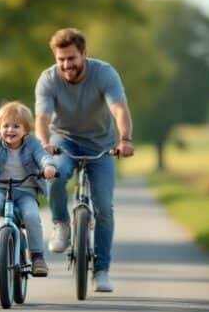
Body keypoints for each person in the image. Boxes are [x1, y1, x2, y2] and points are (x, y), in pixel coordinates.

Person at [34, 27, 135, 292]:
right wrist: (44, 143)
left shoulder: (104, 73)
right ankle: (60, 224)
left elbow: (119, 108)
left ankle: (101, 270)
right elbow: (42, 118)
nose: (66, 65)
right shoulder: (48, 79)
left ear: (84, 55)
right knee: (53, 174)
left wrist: (125, 139)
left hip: (100, 145)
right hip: (62, 141)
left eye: (71, 58)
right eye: (61, 60)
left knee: (103, 206)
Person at [0, 101, 57, 276]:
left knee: (31, 216)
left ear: (26, 130)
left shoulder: (33, 144)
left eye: (16, 126)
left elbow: (43, 157)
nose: (10, 130)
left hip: (26, 191)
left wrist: (49, 167)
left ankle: (37, 257)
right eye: (5, 126)